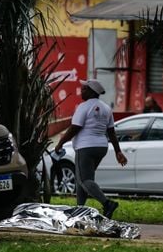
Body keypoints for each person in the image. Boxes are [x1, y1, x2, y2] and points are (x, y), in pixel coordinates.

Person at [54, 79, 127, 219]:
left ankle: (107, 204)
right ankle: (79, 209)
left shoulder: (83, 107)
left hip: (85, 147)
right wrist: (118, 151)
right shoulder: (106, 108)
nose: (81, 91)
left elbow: (74, 128)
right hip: (101, 147)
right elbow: (111, 132)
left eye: (84, 89)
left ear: (92, 91)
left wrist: (60, 143)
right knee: (84, 180)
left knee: (84, 180)